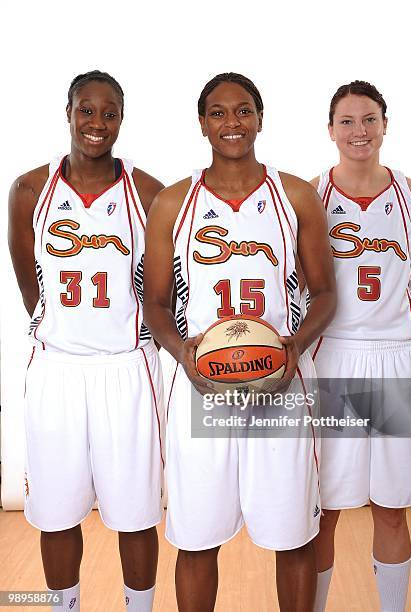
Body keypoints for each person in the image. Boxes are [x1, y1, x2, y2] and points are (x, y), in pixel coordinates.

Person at [143, 72, 336, 611]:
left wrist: (294, 346)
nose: (233, 122)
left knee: (292, 534)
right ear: (202, 123)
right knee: (197, 538)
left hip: (279, 389)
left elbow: (324, 293)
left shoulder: (294, 195)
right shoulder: (174, 203)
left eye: (244, 110)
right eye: (220, 113)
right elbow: (155, 303)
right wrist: (182, 352)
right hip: (204, 388)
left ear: (260, 117)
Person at [8, 70, 165, 612]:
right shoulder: (31, 189)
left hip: (127, 367)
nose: (97, 123)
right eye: (86, 110)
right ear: (68, 111)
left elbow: (164, 286)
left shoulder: (147, 192)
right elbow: (32, 286)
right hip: (58, 369)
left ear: (122, 118)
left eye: (109, 112)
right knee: (56, 511)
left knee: (136, 513)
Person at [310, 80, 411, 612]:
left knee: (392, 507)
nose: (358, 131)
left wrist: (396, 333)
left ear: (385, 124)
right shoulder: (310, 195)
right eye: (347, 121)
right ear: (331, 130)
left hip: (395, 359)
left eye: (368, 119)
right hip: (334, 356)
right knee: (326, 507)